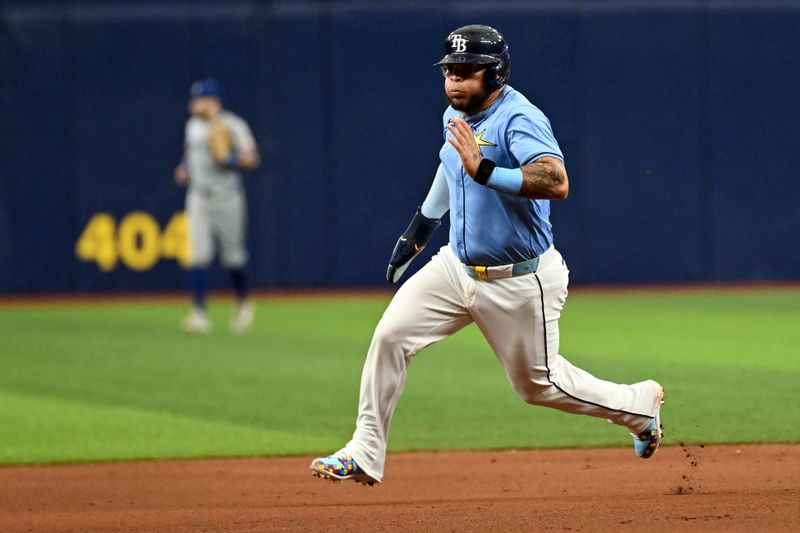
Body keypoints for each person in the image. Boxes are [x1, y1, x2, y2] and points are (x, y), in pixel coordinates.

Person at [310, 25, 664, 485]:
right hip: (456, 268)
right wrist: (418, 231)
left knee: (538, 387)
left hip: (519, 279)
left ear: (495, 74)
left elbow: (556, 180)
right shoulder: (454, 114)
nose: (454, 80)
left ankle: (638, 407)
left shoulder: (519, 118)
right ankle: (364, 450)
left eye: (465, 71)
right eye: (448, 71)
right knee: (391, 336)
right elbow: (450, 164)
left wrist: (487, 171)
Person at [174, 78, 260, 334]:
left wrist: (230, 158)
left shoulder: (234, 125)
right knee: (198, 255)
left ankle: (244, 302)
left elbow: (253, 158)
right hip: (199, 196)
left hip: (227, 196)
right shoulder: (192, 127)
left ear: (212, 101)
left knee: (233, 256)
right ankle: (199, 313)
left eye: (199, 99)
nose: (194, 104)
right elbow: (190, 153)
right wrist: (183, 168)